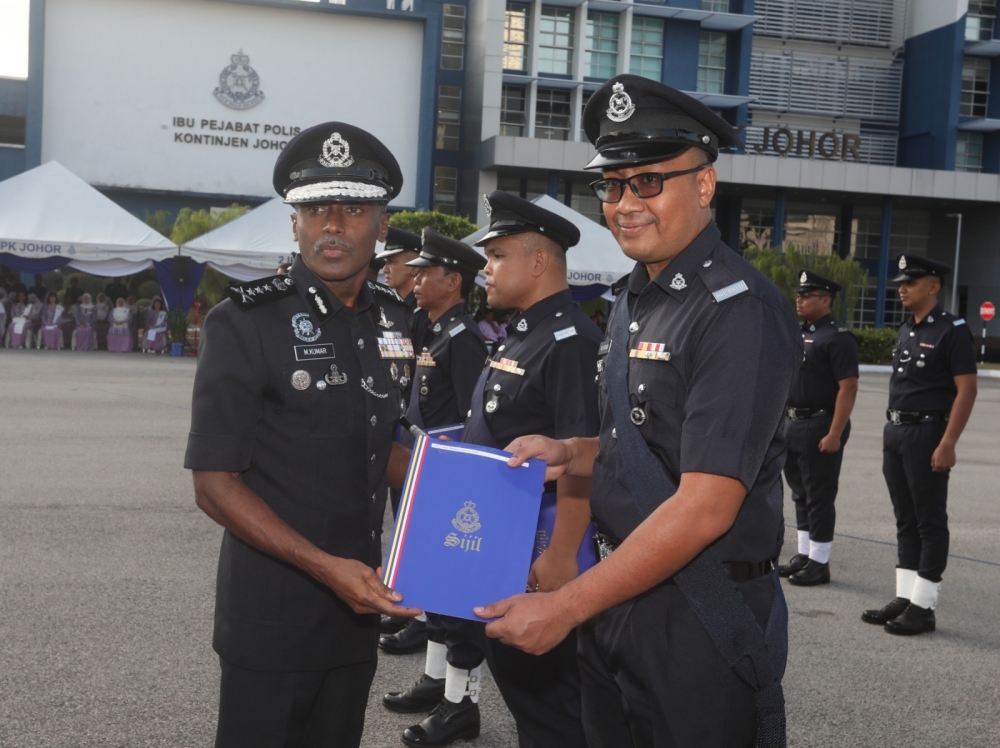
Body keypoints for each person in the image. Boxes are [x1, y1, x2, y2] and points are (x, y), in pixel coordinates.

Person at [480, 75, 802, 747]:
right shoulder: (634, 298)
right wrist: (571, 452)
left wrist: (565, 607)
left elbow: (707, 503)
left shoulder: (739, 311)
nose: (625, 204)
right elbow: (647, 447)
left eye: (648, 182)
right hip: (620, 597)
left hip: (699, 617)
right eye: (613, 185)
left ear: (705, 184)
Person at [184, 122, 420, 748]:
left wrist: (482, 482)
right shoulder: (245, 323)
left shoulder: (394, 321)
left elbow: (382, 445)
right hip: (274, 614)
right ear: (294, 223)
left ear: (382, 225)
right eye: (316, 208)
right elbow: (214, 484)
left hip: (359, 605)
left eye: (354, 209)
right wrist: (325, 568)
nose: (334, 224)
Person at [451, 190, 601, 748]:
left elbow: (582, 455)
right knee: (524, 694)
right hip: (506, 543)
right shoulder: (524, 331)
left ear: (539, 262)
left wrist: (561, 556)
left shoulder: (571, 342)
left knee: (554, 705)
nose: (484, 270)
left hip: (543, 550)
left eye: (497, 257)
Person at [381, 228, 491, 747]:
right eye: (417, 270)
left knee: (457, 592)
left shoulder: (464, 337)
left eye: (428, 273)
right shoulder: (434, 329)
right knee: (431, 586)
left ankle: (461, 702)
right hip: (424, 470)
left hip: (450, 478)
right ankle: (436, 679)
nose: (416, 279)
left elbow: (474, 421)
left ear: (454, 280)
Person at [861, 254, 977, 636]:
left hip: (929, 435)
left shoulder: (952, 330)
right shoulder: (907, 329)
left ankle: (924, 606)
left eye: (911, 282)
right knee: (905, 519)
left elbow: (967, 390)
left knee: (929, 521)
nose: (902, 288)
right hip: (897, 434)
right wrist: (889, 425)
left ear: (934, 286)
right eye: (901, 282)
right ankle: (905, 595)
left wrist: (949, 442)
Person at [778, 270, 859, 586]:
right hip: (794, 422)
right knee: (800, 492)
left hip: (820, 423)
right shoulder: (799, 333)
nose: (799, 300)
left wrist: (835, 432)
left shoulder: (837, 337)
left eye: (806, 295)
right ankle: (804, 553)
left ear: (825, 300)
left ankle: (820, 562)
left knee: (819, 495)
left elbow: (848, 387)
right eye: (798, 294)